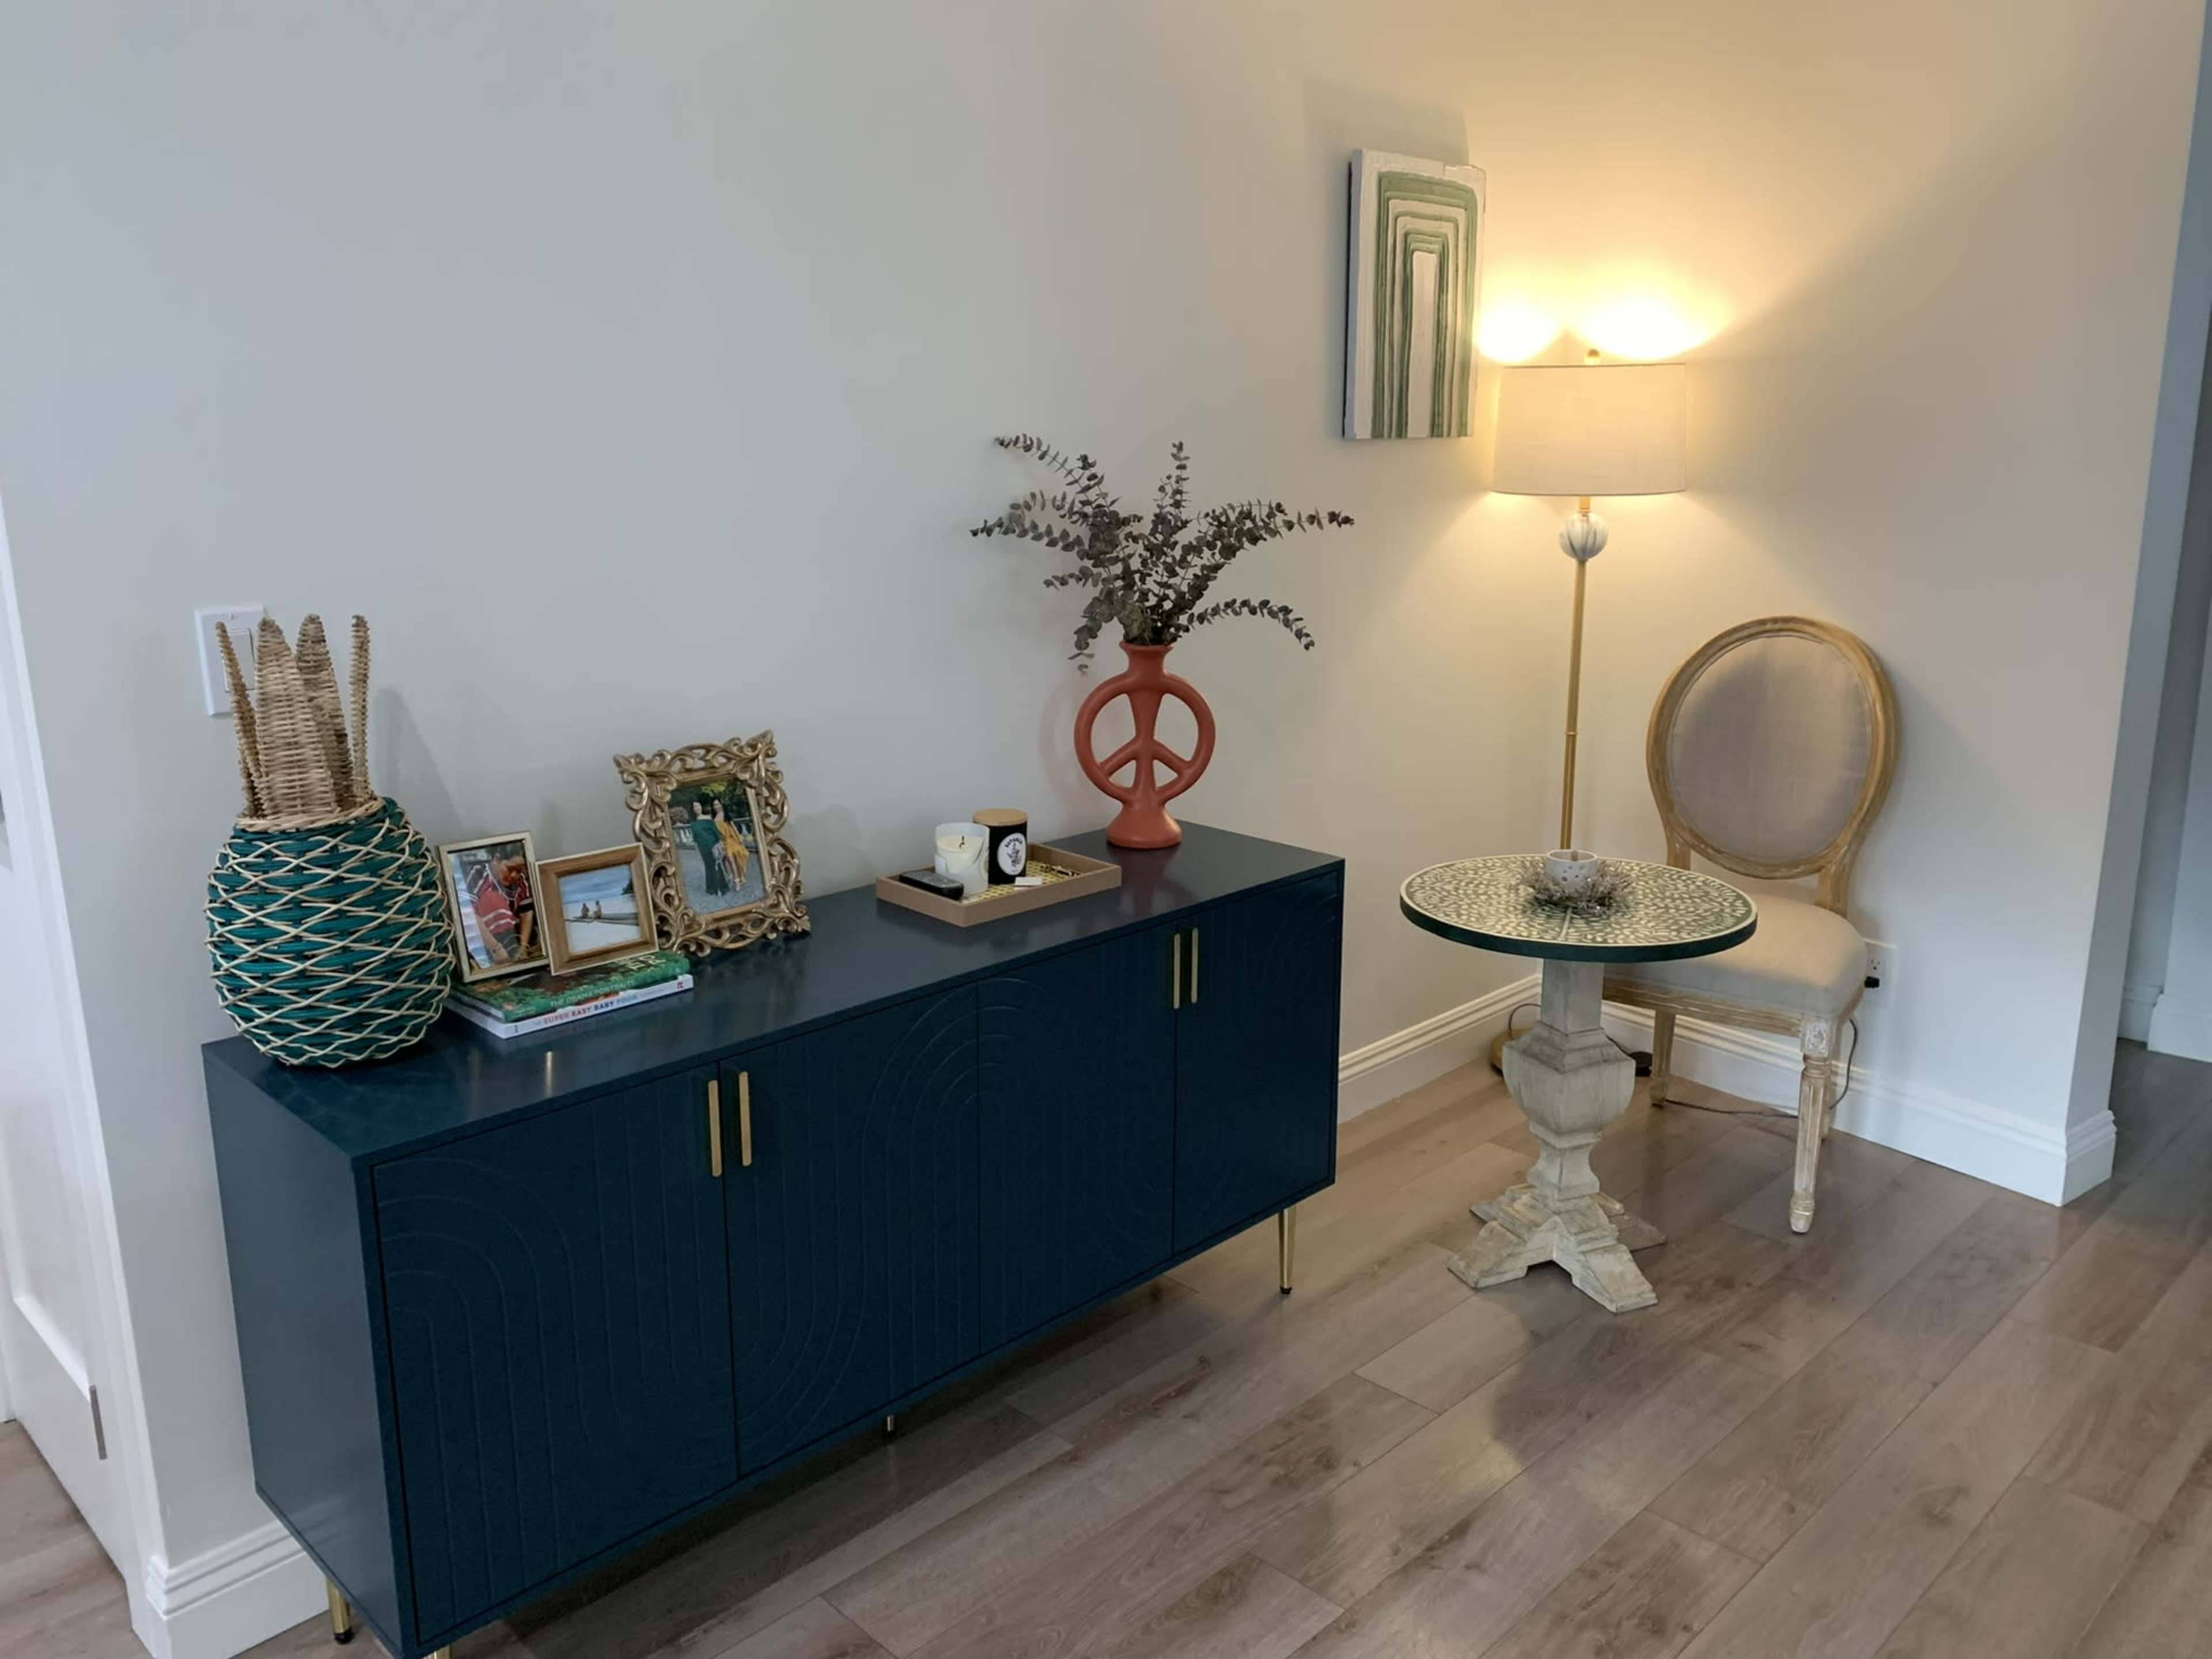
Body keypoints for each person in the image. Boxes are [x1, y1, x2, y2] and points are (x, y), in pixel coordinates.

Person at [686, 800, 729, 899]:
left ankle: (722, 889)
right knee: (708, 867)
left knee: (716, 866)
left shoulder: (708, 819)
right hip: (703, 848)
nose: (697, 808)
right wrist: (697, 849)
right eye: (695, 807)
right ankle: (711, 889)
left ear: (701, 807)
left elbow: (716, 833)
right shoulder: (693, 823)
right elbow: (695, 837)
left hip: (713, 845)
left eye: (699, 806)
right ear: (693, 810)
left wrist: (720, 846)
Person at [713, 795, 752, 893]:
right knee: (725, 860)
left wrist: (739, 838)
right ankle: (730, 876)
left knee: (731, 859)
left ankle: (737, 881)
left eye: (717, 804)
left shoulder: (726, 815)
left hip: (731, 840)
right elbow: (716, 832)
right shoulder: (714, 818)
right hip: (723, 842)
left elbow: (733, 827)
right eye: (714, 805)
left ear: (721, 805)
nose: (716, 806)